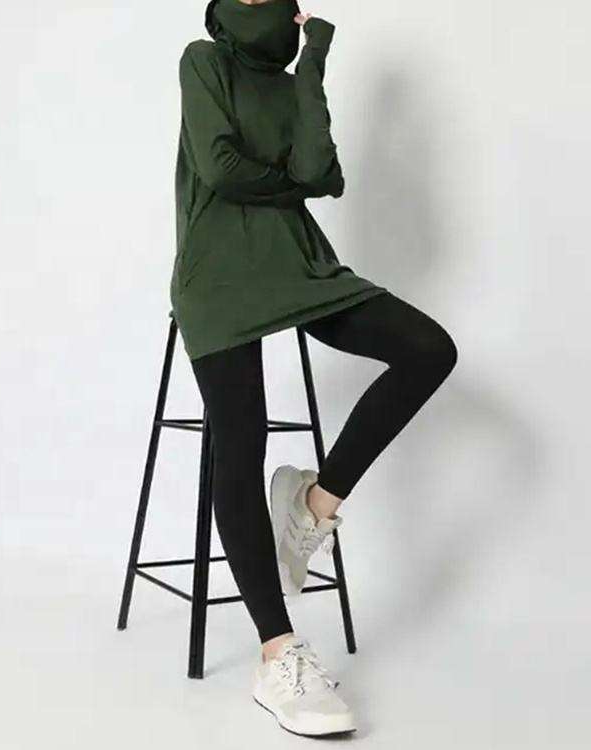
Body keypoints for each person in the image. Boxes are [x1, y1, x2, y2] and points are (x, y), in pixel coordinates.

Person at [169, 0, 457, 737]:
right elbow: (219, 168)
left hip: (298, 266)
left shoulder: (292, 77)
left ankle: (313, 505)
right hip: (218, 276)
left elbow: (322, 173)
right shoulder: (205, 61)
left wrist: (313, 66)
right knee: (242, 439)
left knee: (429, 350)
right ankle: (279, 654)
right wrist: (290, 179)